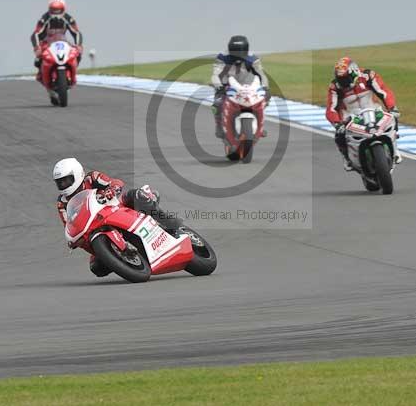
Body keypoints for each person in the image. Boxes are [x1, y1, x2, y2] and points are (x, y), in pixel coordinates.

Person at [52, 158, 183, 277]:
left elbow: (115, 182)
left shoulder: (91, 178)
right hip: (93, 225)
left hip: (115, 207)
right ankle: (125, 261)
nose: (63, 184)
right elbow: (69, 223)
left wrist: (111, 189)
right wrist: (72, 239)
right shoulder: (62, 202)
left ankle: (169, 223)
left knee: (136, 195)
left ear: (77, 173)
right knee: (96, 268)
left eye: (66, 180)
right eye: (60, 182)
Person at [325, 57, 401, 170]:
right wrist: (337, 123)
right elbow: (331, 108)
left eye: (346, 78)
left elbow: (384, 91)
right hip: (351, 116)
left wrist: (392, 107)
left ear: (354, 72)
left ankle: (394, 147)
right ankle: (347, 157)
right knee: (339, 135)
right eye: (340, 79)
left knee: (392, 119)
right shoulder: (335, 87)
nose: (343, 82)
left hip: (374, 110)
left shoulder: (368, 75)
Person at [210, 35, 270, 138]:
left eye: (240, 51)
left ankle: (260, 125)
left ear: (246, 49)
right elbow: (216, 74)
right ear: (229, 49)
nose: (238, 54)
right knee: (217, 103)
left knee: (265, 98)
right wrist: (219, 86)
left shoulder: (253, 58)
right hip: (225, 85)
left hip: (246, 85)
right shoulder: (222, 57)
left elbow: (261, 74)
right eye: (235, 51)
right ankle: (219, 126)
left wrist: (265, 87)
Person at [31, 0, 84, 70]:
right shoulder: (44, 18)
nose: (56, 12)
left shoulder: (68, 18)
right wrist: (37, 48)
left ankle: (72, 69)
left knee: (78, 54)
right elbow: (36, 34)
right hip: (46, 43)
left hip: (63, 42)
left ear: (63, 9)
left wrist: (78, 45)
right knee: (37, 61)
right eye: (53, 10)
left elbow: (76, 32)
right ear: (49, 9)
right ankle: (42, 72)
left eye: (58, 10)